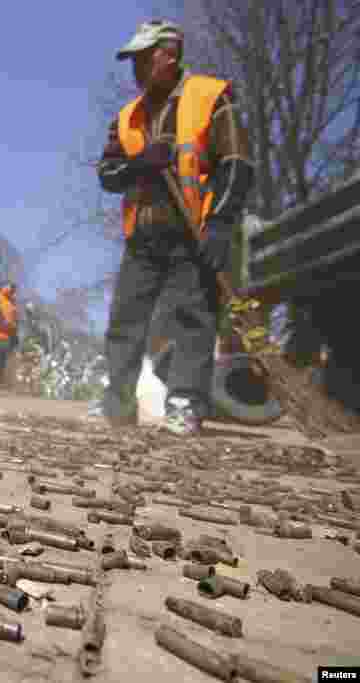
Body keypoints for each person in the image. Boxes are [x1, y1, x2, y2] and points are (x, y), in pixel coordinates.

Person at [97, 20, 254, 435]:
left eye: (144, 59)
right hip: (143, 235)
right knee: (125, 320)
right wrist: (139, 164)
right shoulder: (129, 116)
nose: (136, 69)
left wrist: (221, 223)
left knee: (193, 316)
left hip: (193, 233)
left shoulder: (211, 96)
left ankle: (185, 401)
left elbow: (237, 163)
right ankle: (116, 404)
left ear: (169, 54)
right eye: (133, 61)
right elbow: (108, 173)